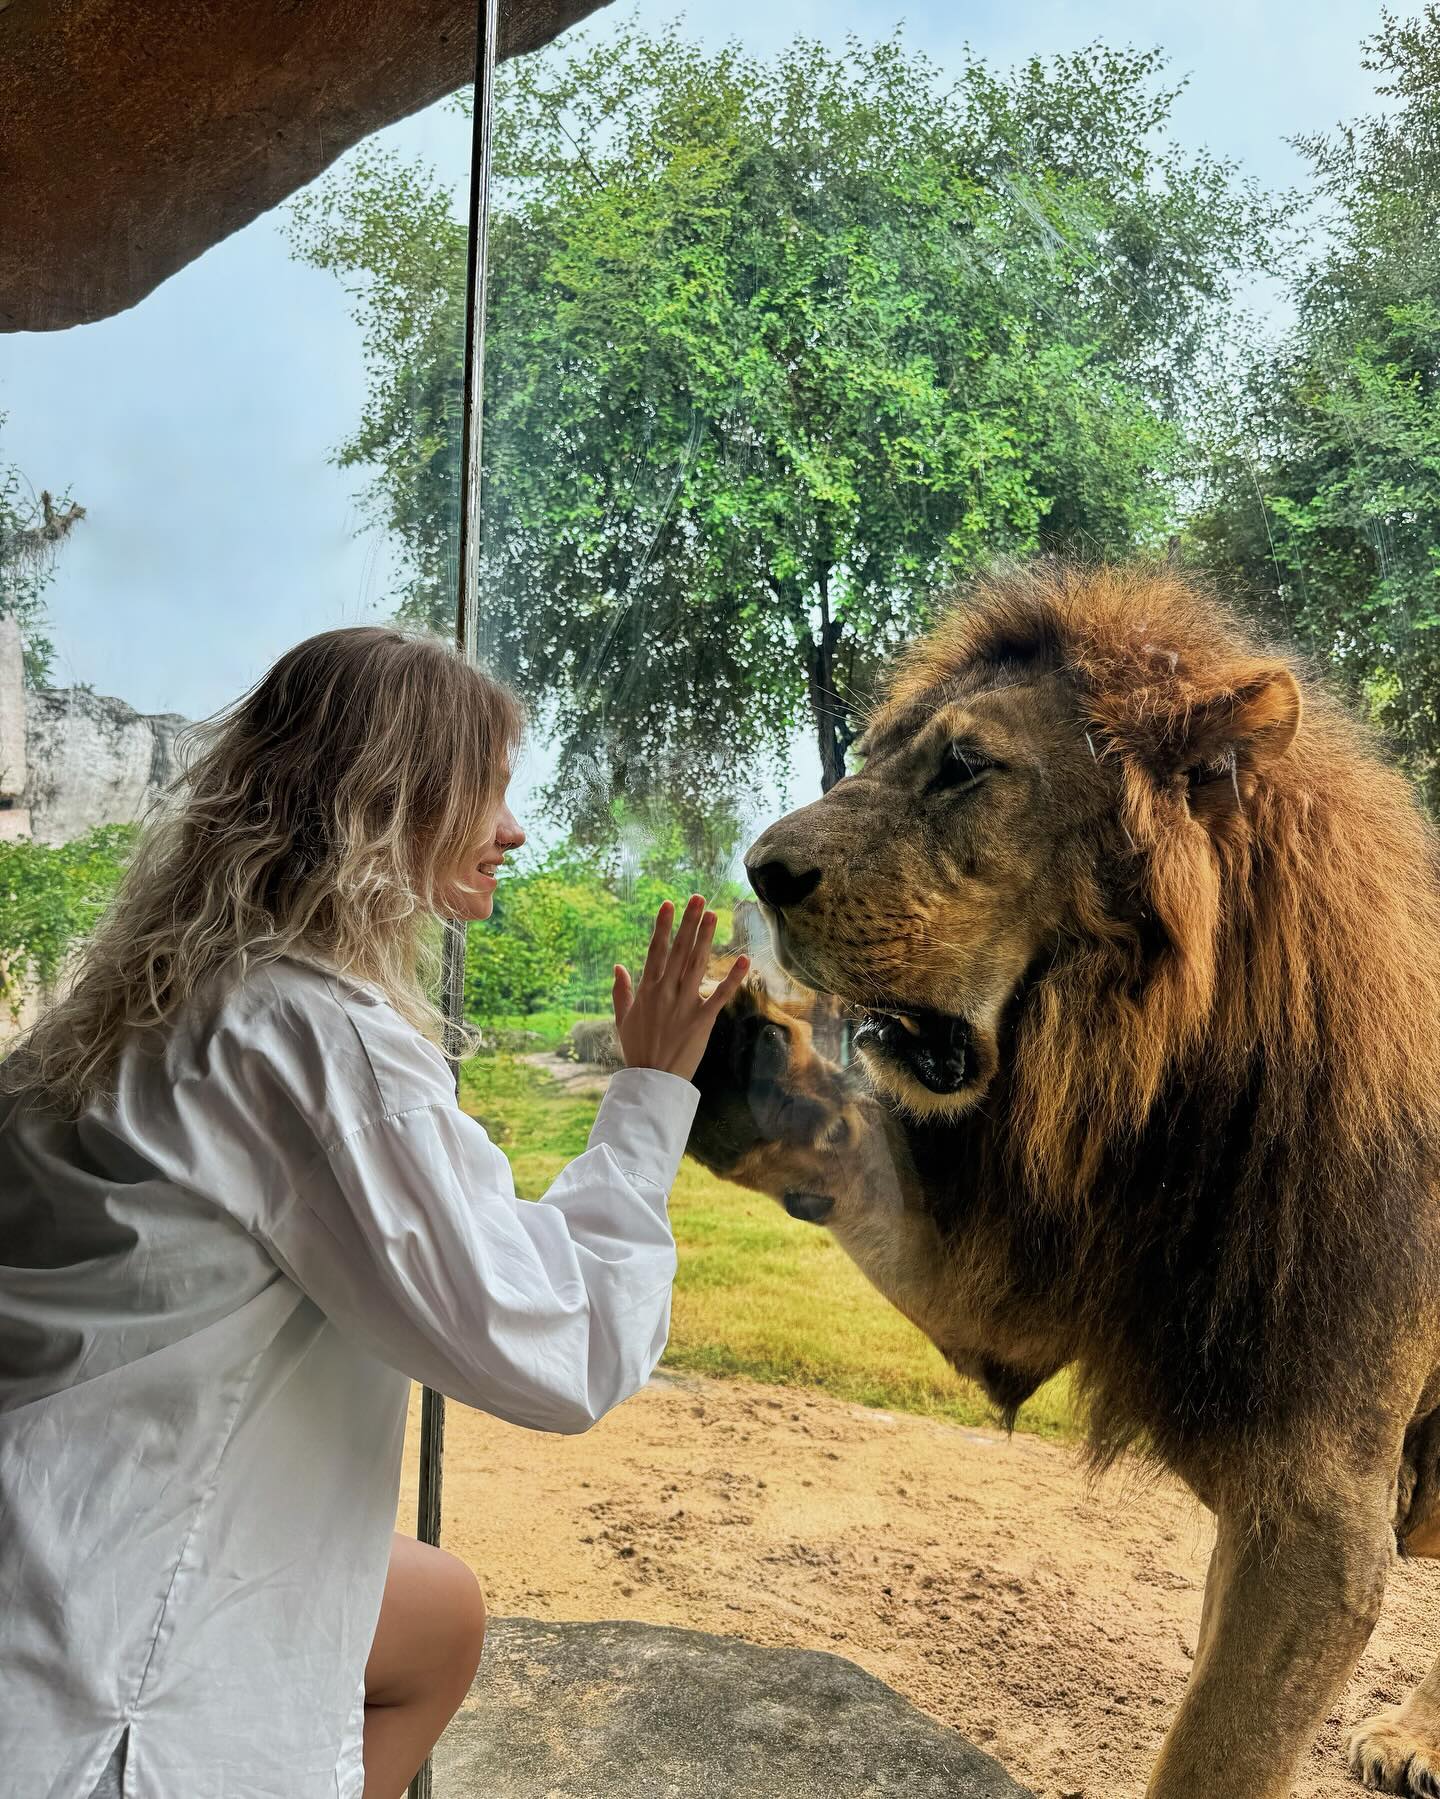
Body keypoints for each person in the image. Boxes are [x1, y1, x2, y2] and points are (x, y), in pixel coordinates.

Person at [0, 626, 749, 1799]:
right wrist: (650, 1095)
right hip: (108, 1687)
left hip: (44, 1534)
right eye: (490, 790)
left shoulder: (129, 1010)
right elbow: (556, 1344)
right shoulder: (309, 1033)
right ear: (392, 799)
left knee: (439, 1614)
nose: (513, 829)